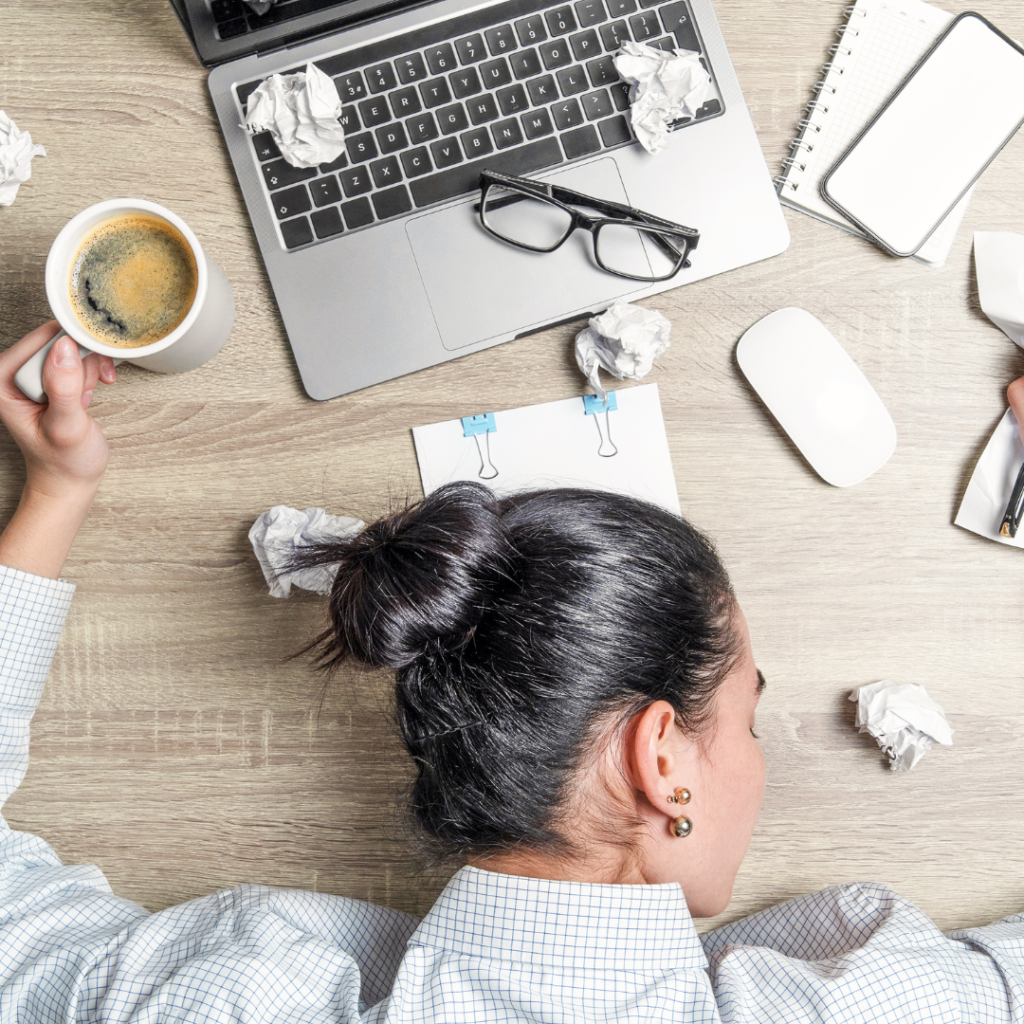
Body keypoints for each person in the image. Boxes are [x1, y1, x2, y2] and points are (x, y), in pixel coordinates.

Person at [0, 319, 1022, 1024]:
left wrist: (54, 493)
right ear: (660, 758)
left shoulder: (222, 999)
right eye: (747, 719)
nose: (756, 758)